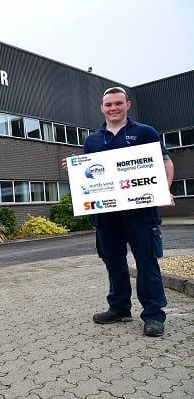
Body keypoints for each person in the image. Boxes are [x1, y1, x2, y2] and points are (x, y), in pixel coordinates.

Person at [63, 86, 175, 337]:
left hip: (141, 211)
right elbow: (90, 175)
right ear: (102, 108)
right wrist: (74, 168)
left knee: (146, 261)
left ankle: (154, 315)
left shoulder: (145, 132)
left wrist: (164, 191)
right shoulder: (92, 140)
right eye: (108, 105)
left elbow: (165, 163)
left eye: (118, 103)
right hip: (106, 214)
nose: (113, 108)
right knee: (113, 261)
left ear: (128, 105)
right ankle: (119, 307)